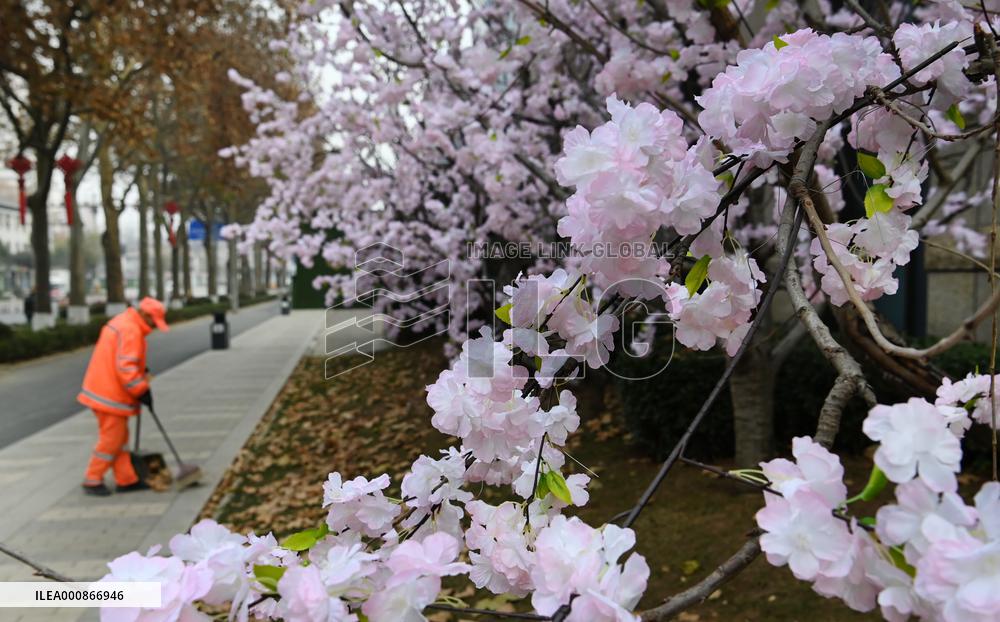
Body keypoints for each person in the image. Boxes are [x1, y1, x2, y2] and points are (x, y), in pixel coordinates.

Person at [77, 297, 169, 496]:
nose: (153, 326)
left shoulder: (124, 322)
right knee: (111, 440)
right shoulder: (131, 330)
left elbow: (122, 358)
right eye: (154, 321)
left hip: (104, 389)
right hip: (109, 395)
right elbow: (125, 367)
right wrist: (141, 389)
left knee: (120, 439)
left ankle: (126, 479)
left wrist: (141, 371)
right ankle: (92, 479)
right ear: (145, 315)